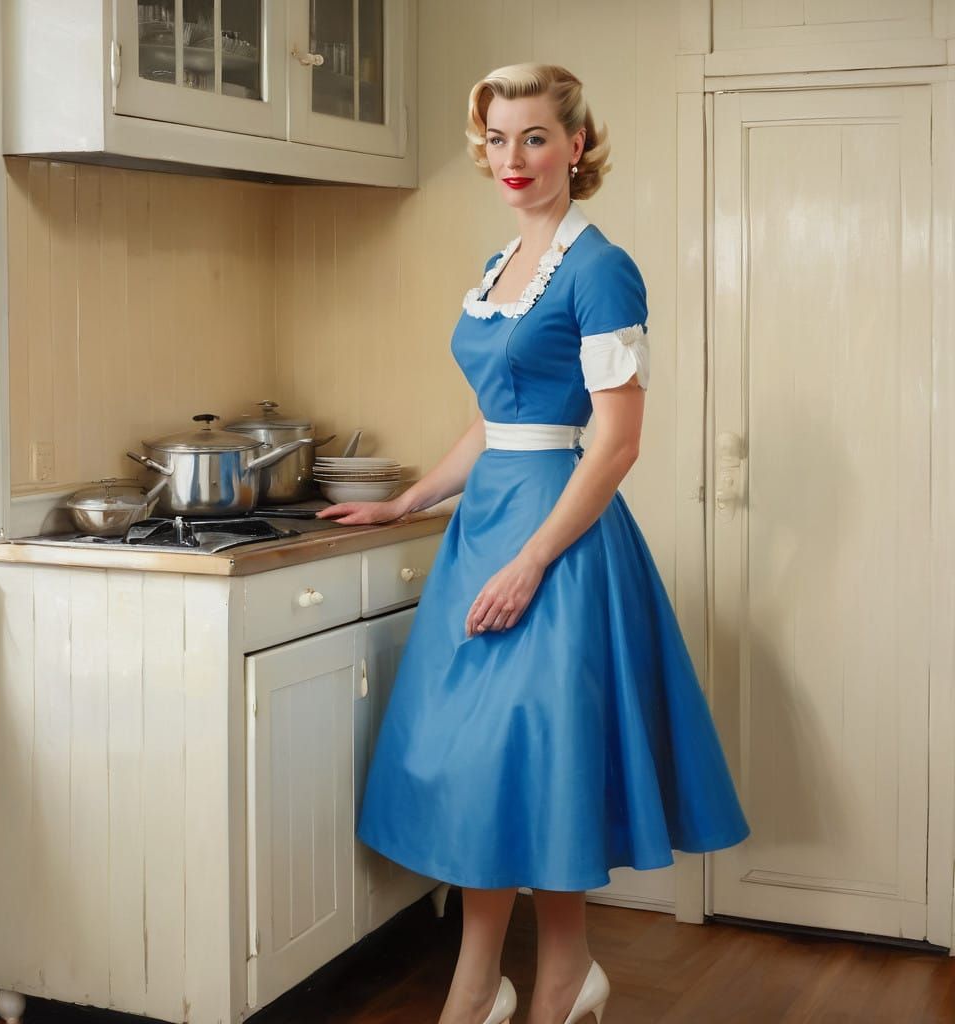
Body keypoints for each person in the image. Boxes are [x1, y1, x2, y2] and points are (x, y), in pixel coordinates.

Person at [315, 62, 750, 1024]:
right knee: (495, 770)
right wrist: (408, 501)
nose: (513, 159)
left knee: (534, 759)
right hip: (486, 526)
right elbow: (493, 419)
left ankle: (535, 983)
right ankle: (516, 981)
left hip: (559, 539)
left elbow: (619, 440)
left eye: (535, 138)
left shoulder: (601, 268)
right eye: (498, 140)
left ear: (576, 146)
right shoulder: (495, 269)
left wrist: (532, 560)